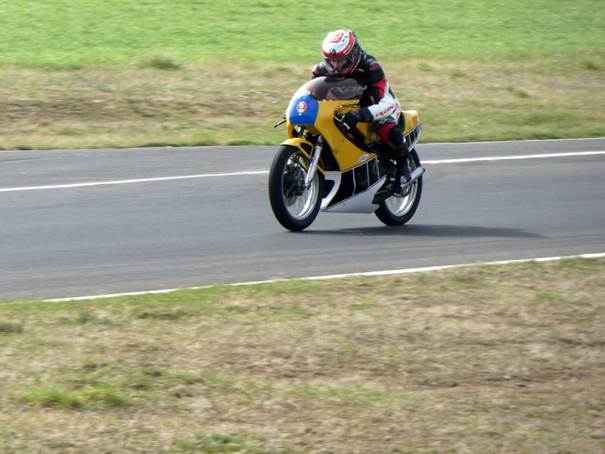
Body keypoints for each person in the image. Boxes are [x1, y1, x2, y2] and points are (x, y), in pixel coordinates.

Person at [312, 29, 411, 199]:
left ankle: (403, 167)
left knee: (384, 127)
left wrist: (362, 114)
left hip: (380, 106)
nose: (335, 65)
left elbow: (385, 102)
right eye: (331, 60)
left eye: (340, 60)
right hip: (344, 109)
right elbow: (312, 96)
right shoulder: (320, 70)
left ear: (353, 54)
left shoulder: (371, 67)